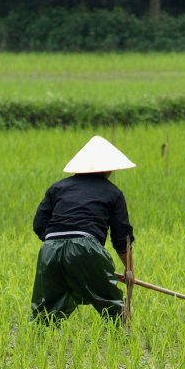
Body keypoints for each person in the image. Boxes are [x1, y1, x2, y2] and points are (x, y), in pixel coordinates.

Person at [30, 135, 136, 324]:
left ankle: (38, 345)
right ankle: (123, 344)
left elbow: (39, 224)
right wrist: (129, 269)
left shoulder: (58, 188)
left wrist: (59, 242)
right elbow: (122, 238)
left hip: (50, 248)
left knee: (46, 312)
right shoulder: (113, 192)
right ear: (108, 167)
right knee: (112, 307)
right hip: (85, 247)